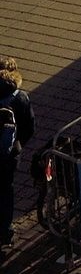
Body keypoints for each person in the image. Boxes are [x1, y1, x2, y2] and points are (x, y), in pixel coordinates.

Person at [0, 57, 34, 253]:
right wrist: (16, 144)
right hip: (8, 155)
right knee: (5, 192)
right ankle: (5, 235)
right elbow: (30, 128)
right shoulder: (20, 97)